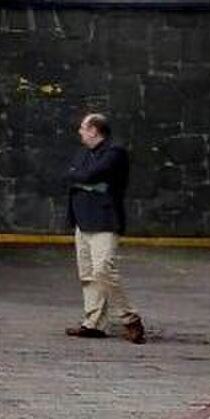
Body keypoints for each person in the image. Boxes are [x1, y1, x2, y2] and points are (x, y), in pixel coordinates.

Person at [64, 111, 145, 343]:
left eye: (83, 127)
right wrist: (85, 180)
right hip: (82, 220)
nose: (80, 132)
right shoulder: (83, 152)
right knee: (88, 274)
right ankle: (94, 323)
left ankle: (130, 318)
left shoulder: (115, 153)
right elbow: (71, 174)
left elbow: (89, 175)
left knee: (103, 270)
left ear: (94, 130)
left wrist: (82, 179)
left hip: (104, 220)